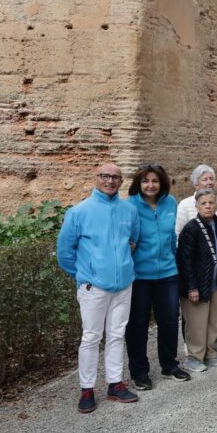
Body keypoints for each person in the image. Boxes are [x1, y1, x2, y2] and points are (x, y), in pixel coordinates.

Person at [56, 163, 140, 413]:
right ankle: (87, 389)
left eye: (116, 177)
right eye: (105, 176)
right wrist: (85, 275)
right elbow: (65, 252)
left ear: (121, 181)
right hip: (94, 286)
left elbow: (133, 240)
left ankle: (115, 384)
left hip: (124, 284)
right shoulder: (79, 211)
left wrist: (124, 266)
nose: (110, 181)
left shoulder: (129, 210)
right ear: (96, 178)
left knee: (116, 335)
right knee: (91, 337)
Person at [124, 164, 189, 390]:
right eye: (145, 181)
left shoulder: (170, 203)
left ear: (162, 183)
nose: (150, 185)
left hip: (168, 273)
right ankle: (139, 372)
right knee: (138, 324)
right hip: (140, 275)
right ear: (138, 183)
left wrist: (175, 262)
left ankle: (169, 364)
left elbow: (172, 237)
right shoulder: (129, 205)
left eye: (154, 181)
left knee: (170, 321)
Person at [175, 164, 217, 353]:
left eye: (211, 179)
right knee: (196, 319)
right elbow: (184, 254)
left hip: (215, 275)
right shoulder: (188, 218)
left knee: (214, 318)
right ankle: (195, 354)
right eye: (204, 179)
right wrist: (191, 285)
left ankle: (211, 350)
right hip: (198, 274)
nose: (208, 206)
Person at [175, 164, 217, 235]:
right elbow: (178, 233)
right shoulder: (184, 205)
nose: (209, 182)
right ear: (196, 185)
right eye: (205, 179)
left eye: (211, 179)